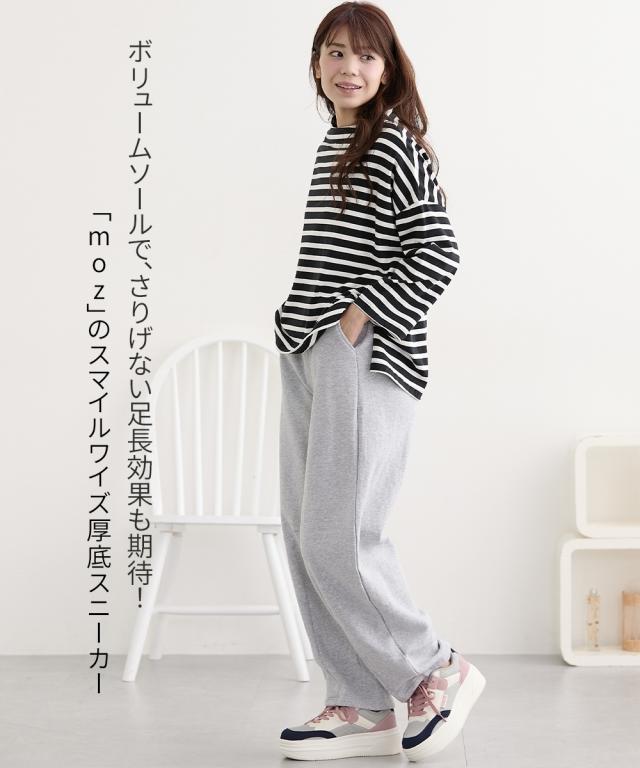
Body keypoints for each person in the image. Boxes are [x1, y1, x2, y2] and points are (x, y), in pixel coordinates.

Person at [274, 2, 485, 761]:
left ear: (388, 69)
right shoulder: (334, 145)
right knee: (307, 537)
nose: (349, 68)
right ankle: (360, 701)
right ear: (317, 65)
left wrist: (357, 318)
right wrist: (304, 326)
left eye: (366, 56)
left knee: (343, 537)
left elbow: (439, 252)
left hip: (364, 356)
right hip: (308, 347)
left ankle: (434, 669)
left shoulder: (394, 144)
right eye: (335, 53)